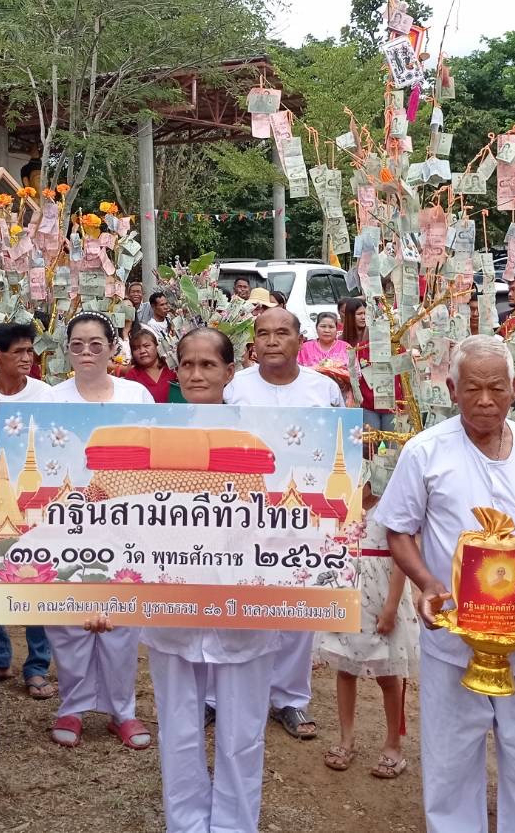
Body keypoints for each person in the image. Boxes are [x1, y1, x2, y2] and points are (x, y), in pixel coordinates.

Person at [373, 333, 515, 832]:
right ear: (451, 388)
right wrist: (426, 583)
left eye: (496, 388)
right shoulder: (426, 453)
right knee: (449, 767)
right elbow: (398, 529)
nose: (485, 400)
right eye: (472, 389)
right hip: (454, 637)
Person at [141, 327, 283, 833]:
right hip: (170, 608)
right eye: (188, 364)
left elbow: (278, 522)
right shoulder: (154, 435)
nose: (197, 374)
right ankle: (184, 825)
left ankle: (234, 826)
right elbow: (129, 525)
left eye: (208, 365)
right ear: (176, 371)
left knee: (242, 735)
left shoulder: (257, 439)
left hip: (245, 606)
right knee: (178, 730)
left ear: (229, 371)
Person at [224, 307, 341, 742]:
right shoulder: (236, 388)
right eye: (263, 334)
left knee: (296, 604)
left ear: (299, 339)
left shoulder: (324, 389)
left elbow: (336, 448)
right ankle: (223, 697)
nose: (272, 341)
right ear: (253, 342)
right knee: (239, 599)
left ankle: (290, 698)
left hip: (303, 513)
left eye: (281, 333)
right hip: (242, 510)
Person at [44, 311, 154, 750]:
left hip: (125, 520)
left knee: (121, 617)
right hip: (67, 519)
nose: (86, 352)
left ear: (113, 347)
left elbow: (149, 455)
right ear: (66, 350)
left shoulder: (137, 396)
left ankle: (121, 711)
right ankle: (71, 705)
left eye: (95, 344)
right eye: (77, 344)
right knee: (69, 617)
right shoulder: (51, 400)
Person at [315, 470, 418, 780]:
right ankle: (346, 739)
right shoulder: (342, 509)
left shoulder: (392, 508)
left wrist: (390, 608)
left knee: (387, 674)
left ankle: (393, 746)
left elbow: (402, 560)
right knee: (345, 670)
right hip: (348, 590)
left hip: (382, 596)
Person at [0, 321, 55, 700]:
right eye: (19, 352)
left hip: (32, 501)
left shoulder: (45, 395)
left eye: (30, 351)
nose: (27, 358)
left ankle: (38, 666)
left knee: (36, 581)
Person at [342, 299, 401, 433]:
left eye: (366, 314)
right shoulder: (352, 346)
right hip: (366, 403)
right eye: (359, 314)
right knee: (370, 445)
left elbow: (403, 366)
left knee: (390, 445)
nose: (364, 317)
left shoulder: (393, 345)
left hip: (391, 402)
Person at [122, 324, 175, 403]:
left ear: (157, 346)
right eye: (136, 348)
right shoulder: (132, 376)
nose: (142, 351)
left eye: (146, 346)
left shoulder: (172, 369)